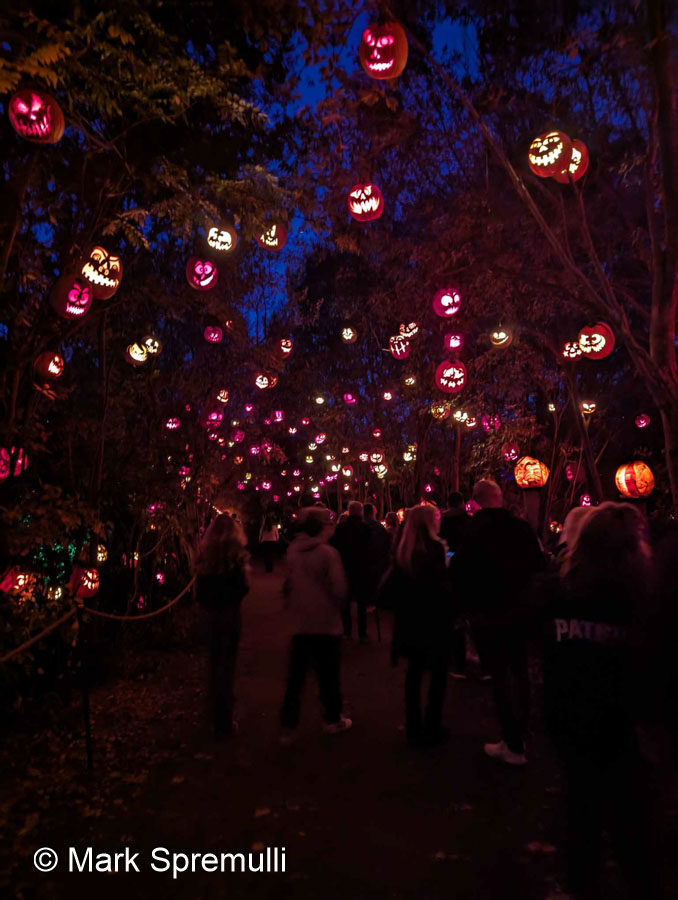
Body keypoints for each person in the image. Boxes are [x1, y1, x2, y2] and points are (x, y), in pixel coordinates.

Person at [542, 502, 661, 899]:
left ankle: (583, 882)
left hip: (573, 719)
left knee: (582, 812)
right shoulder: (647, 600)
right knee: (633, 821)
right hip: (626, 726)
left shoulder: (559, 593)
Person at [454, 479, 543, 765]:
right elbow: (539, 565)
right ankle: (520, 733)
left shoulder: (474, 530)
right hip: (520, 609)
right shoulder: (521, 528)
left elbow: (460, 572)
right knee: (519, 671)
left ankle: (513, 742)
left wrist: (465, 607)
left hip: (488, 612)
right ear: (500, 498)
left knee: (501, 675)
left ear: (476, 500)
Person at [280, 506, 351, 742]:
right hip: (325, 622)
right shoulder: (328, 554)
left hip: (300, 622)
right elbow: (338, 587)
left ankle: (288, 724)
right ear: (321, 527)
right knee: (328, 675)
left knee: (296, 677)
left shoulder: (293, 551)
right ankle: (332, 719)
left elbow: (288, 584)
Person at [391, 505, 453, 745]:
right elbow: (441, 588)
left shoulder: (402, 550)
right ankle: (432, 724)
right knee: (438, 675)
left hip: (409, 621)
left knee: (414, 674)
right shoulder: (435, 549)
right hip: (433, 621)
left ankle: (413, 725)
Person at [195, 514, 249, 738]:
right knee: (227, 667)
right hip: (230, 615)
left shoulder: (205, 557)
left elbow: (200, 591)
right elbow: (242, 589)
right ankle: (224, 720)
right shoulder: (236, 558)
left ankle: (215, 714)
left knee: (215, 663)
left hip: (211, 615)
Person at [331, 500, 371, 642]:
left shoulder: (341, 528)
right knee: (361, 604)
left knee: (345, 602)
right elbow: (371, 550)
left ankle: (347, 631)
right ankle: (362, 633)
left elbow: (334, 547)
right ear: (360, 512)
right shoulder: (366, 529)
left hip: (345, 567)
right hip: (361, 569)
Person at [363, 503, 391, 607]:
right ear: (372, 513)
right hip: (377, 561)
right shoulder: (377, 527)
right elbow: (385, 544)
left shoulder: (361, 526)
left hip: (365, 562)